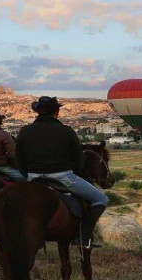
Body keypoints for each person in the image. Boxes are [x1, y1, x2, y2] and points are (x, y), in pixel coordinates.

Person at [16, 96, 108, 248]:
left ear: (38, 112)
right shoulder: (66, 131)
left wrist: (29, 177)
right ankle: (83, 237)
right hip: (63, 177)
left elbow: (19, 159)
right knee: (101, 199)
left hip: (33, 178)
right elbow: (79, 159)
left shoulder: (25, 131)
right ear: (57, 112)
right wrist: (76, 173)